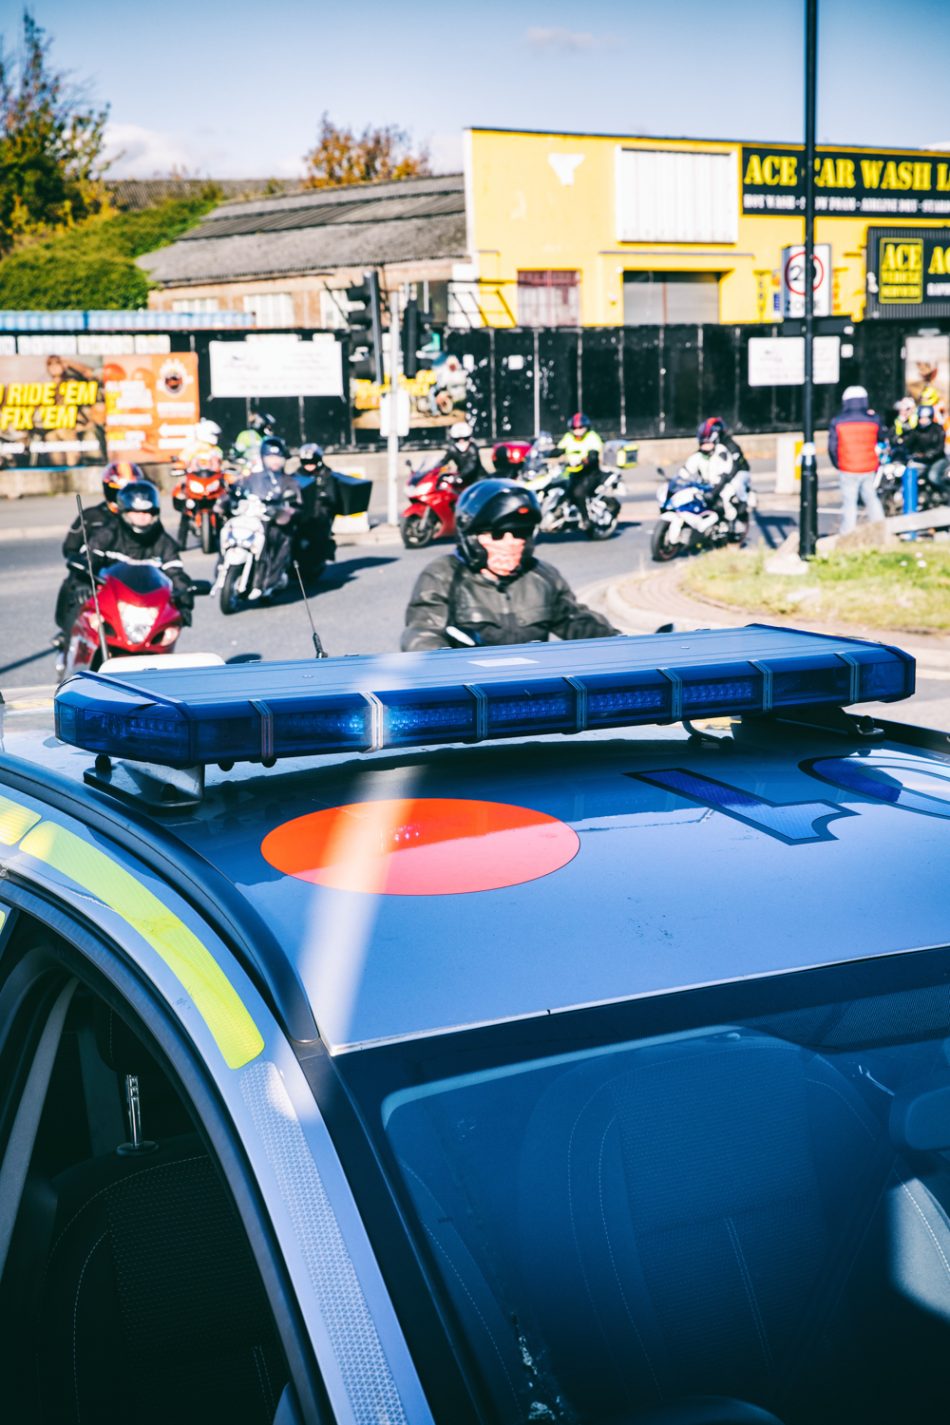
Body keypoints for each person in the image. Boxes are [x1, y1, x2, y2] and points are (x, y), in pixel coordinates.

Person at [401, 479, 618, 650]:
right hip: (470, 696)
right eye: (497, 534)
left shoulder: (541, 577)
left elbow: (578, 621)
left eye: (520, 533)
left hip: (533, 697)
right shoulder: (443, 576)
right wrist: (442, 662)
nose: (511, 543)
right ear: (472, 537)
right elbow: (422, 633)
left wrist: (622, 644)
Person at [59, 480, 195, 643]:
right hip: (109, 602)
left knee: (164, 638)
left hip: (146, 608)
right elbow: (88, 559)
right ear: (124, 512)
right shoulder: (108, 534)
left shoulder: (163, 541)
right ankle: (70, 642)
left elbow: (176, 573)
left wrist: (185, 601)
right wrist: (82, 581)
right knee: (76, 599)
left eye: (148, 512)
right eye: (135, 512)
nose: (142, 517)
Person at [52, 462, 144, 644]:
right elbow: (69, 548)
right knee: (73, 586)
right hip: (95, 578)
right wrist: (83, 573)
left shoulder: (141, 519)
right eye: (120, 490)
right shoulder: (91, 516)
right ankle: (69, 635)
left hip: (129, 581)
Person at [226, 436, 302, 598]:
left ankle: (268, 580)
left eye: (278, 457)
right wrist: (229, 498)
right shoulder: (253, 477)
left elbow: (296, 504)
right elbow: (237, 489)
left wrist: (284, 511)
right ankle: (223, 569)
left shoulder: (288, 481)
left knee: (278, 537)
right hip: (252, 519)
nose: (274, 461)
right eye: (270, 457)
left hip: (274, 523)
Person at [827, 385, 886, 535]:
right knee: (871, 498)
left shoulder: (838, 421)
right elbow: (881, 438)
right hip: (869, 466)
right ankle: (881, 530)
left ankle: (848, 533)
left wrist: (838, 463)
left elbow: (832, 447)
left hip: (848, 467)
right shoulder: (873, 419)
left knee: (849, 502)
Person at [682, 419, 751, 534]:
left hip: (738, 472)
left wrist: (720, 484)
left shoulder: (727, 446)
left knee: (733, 487)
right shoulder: (705, 450)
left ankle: (738, 512)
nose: (706, 443)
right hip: (717, 477)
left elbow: (733, 467)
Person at [558, 413, 604, 529]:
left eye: (580, 428)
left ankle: (585, 519)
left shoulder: (592, 437)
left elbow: (594, 455)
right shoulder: (568, 437)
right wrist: (545, 452)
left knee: (578, 492)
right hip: (572, 473)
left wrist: (584, 461)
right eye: (575, 428)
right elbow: (559, 449)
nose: (577, 431)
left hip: (589, 474)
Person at [439, 421, 483, 489]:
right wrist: (432, 471)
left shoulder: (472, 448)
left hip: (477, 480)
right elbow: (442, 462)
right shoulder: (453, 449)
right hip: (462, 480)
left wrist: (458, 477)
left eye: (465, 438)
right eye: (457, 439)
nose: (461, 441)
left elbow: (471, 466)